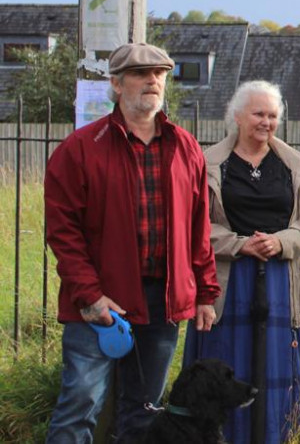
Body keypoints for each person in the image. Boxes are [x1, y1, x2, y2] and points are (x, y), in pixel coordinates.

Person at [44, 43, 220, 443]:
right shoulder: (82, 148)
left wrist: (205, 291)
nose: (152, 81)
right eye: (141, 74)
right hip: (98, 304)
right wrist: (90, 296)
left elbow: (198, 227)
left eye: (159, 73)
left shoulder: (185, 146)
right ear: (116, 85)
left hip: (162, 303)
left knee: (143, 415)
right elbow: (63, 233)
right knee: (80, 406)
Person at [183, 80, 300, 443]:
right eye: (258, 113)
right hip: (227, 281)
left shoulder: (294, 165)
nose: (266, 121)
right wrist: (240, 245)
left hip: (279, 279)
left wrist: (279, 241)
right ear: (238, 117)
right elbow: (194, 223)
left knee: (273, 367)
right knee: (227, 363)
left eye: (273, 115)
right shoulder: (209, 163)